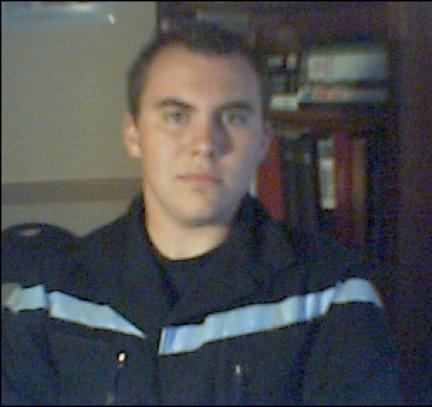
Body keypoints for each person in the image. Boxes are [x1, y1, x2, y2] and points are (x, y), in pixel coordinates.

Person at [2, 23, 403, 405]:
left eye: (233, 117)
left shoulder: (332, 294)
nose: (205, 143)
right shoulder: (47, 298)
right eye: (176, 116)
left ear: (263, 141)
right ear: (134, 135)